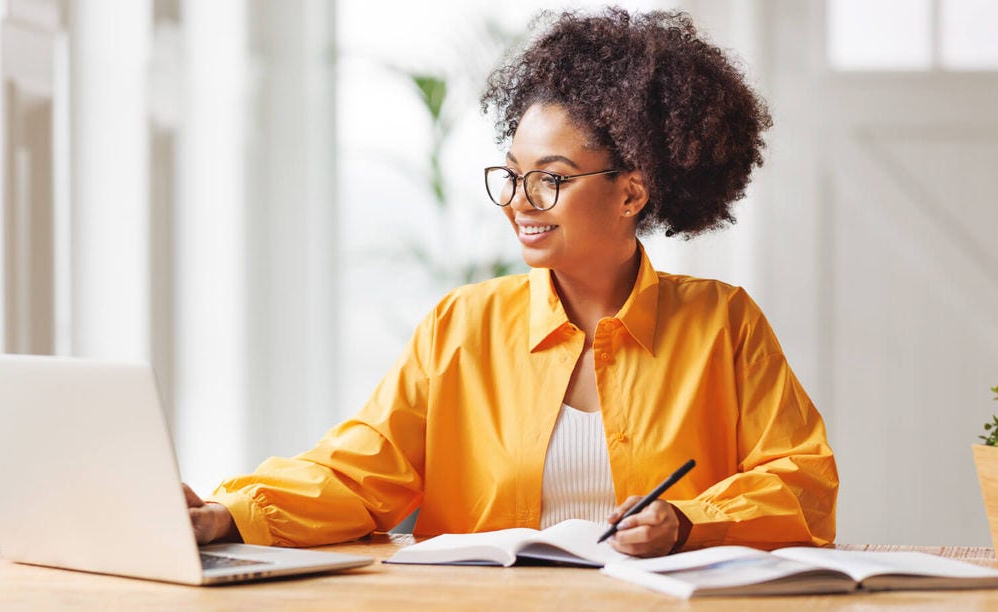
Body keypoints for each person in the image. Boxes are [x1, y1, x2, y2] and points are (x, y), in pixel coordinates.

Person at [185, 7, 838, 558]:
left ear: (631, 192)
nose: (519, 202)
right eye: (511, 174)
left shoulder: (723, 323)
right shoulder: (461, 326)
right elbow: (359, 473)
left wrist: (690, 522)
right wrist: (228, 513)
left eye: (550, 178)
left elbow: (801, 482)